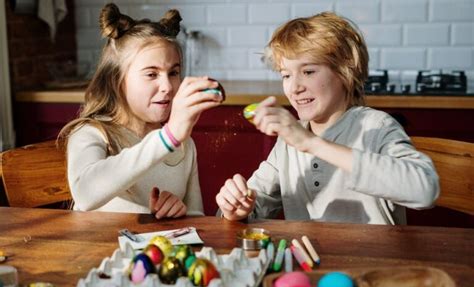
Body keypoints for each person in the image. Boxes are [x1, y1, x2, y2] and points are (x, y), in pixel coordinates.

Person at [216, 12, 439, 225]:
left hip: (371, 263)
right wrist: (234, 208)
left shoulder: (376, 127)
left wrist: (311, 143)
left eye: (308, 72)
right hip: (310, 264)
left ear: (345, 71)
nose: (294, 88)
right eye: (286, 75)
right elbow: (252, 206)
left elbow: (425, 189)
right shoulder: (289, 142)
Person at [58, 3, 224, 219]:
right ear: (117, 81)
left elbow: (197, 218)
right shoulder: (91, 133)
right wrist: (167, 138)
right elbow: (85, 195)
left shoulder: (183, 144)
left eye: (173, 72)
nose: (167, 86)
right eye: (151, 74)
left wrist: (180, 212)